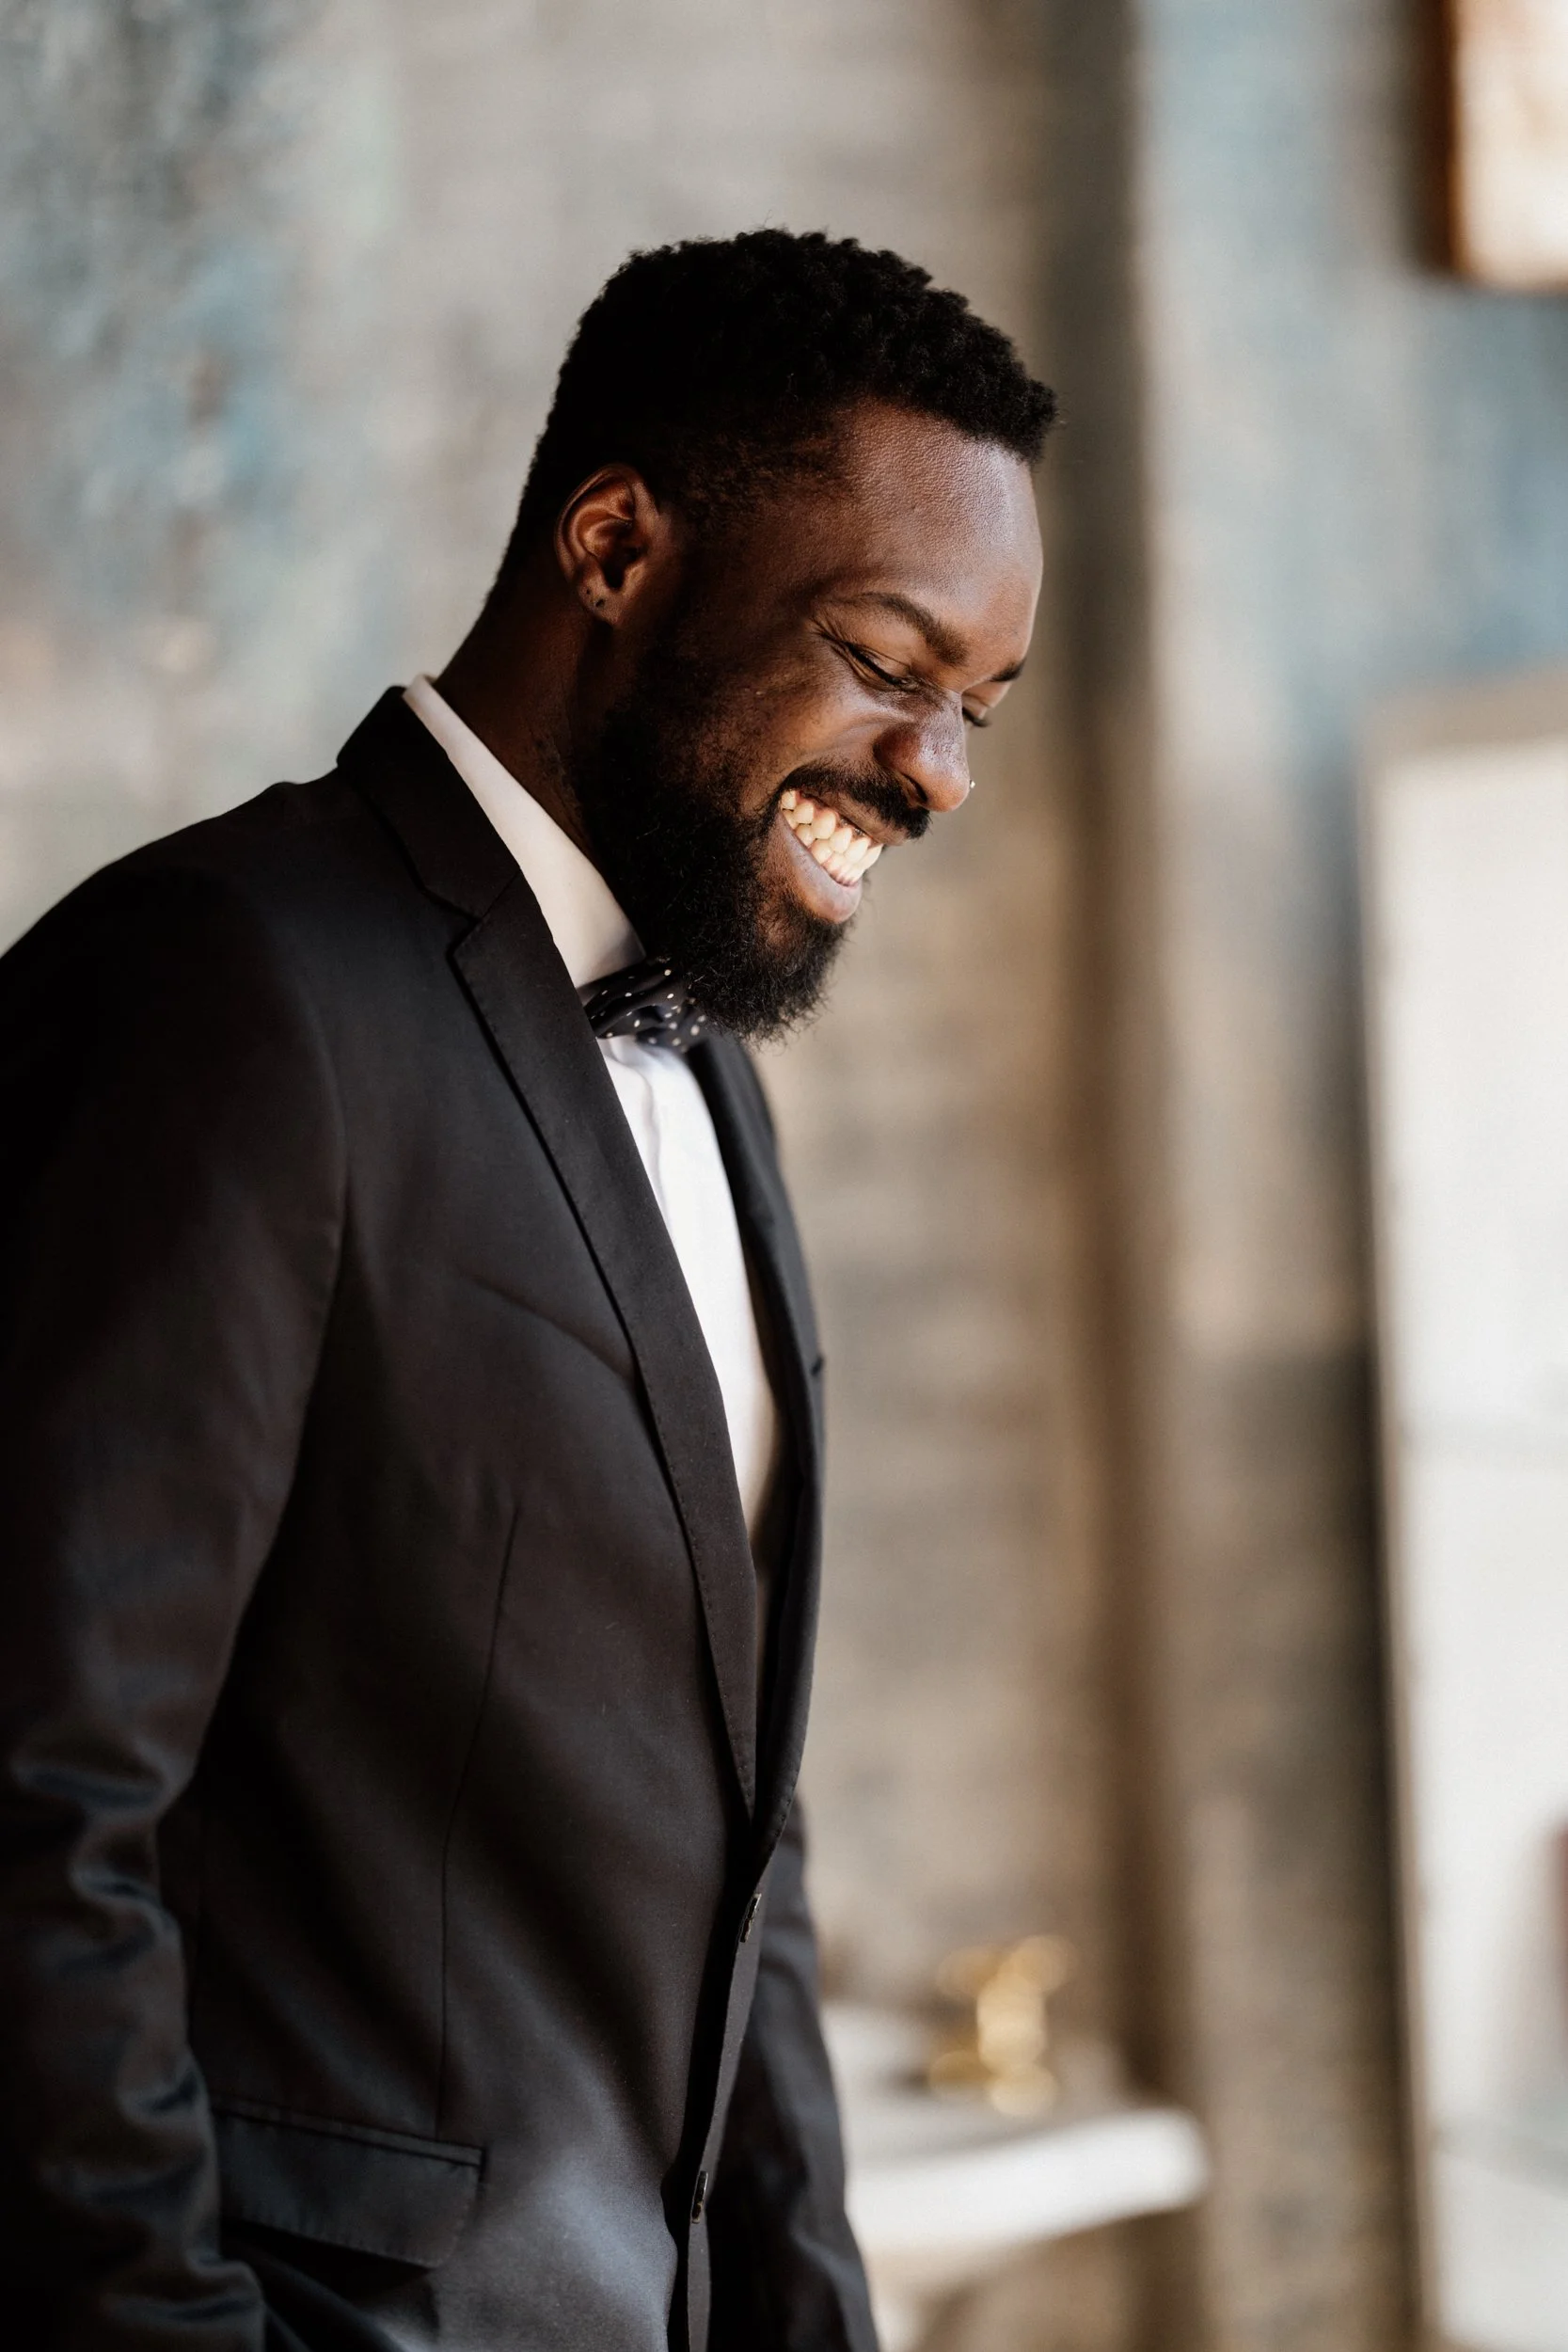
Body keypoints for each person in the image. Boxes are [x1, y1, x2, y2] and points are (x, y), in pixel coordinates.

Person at [0, 229, 1049, 2350]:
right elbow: (34, 1808)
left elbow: (742, 1850)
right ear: (613, 545)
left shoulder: (716, 1087)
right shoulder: (227, 980)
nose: (934, 773)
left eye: (975, 708)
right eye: (882, 658)